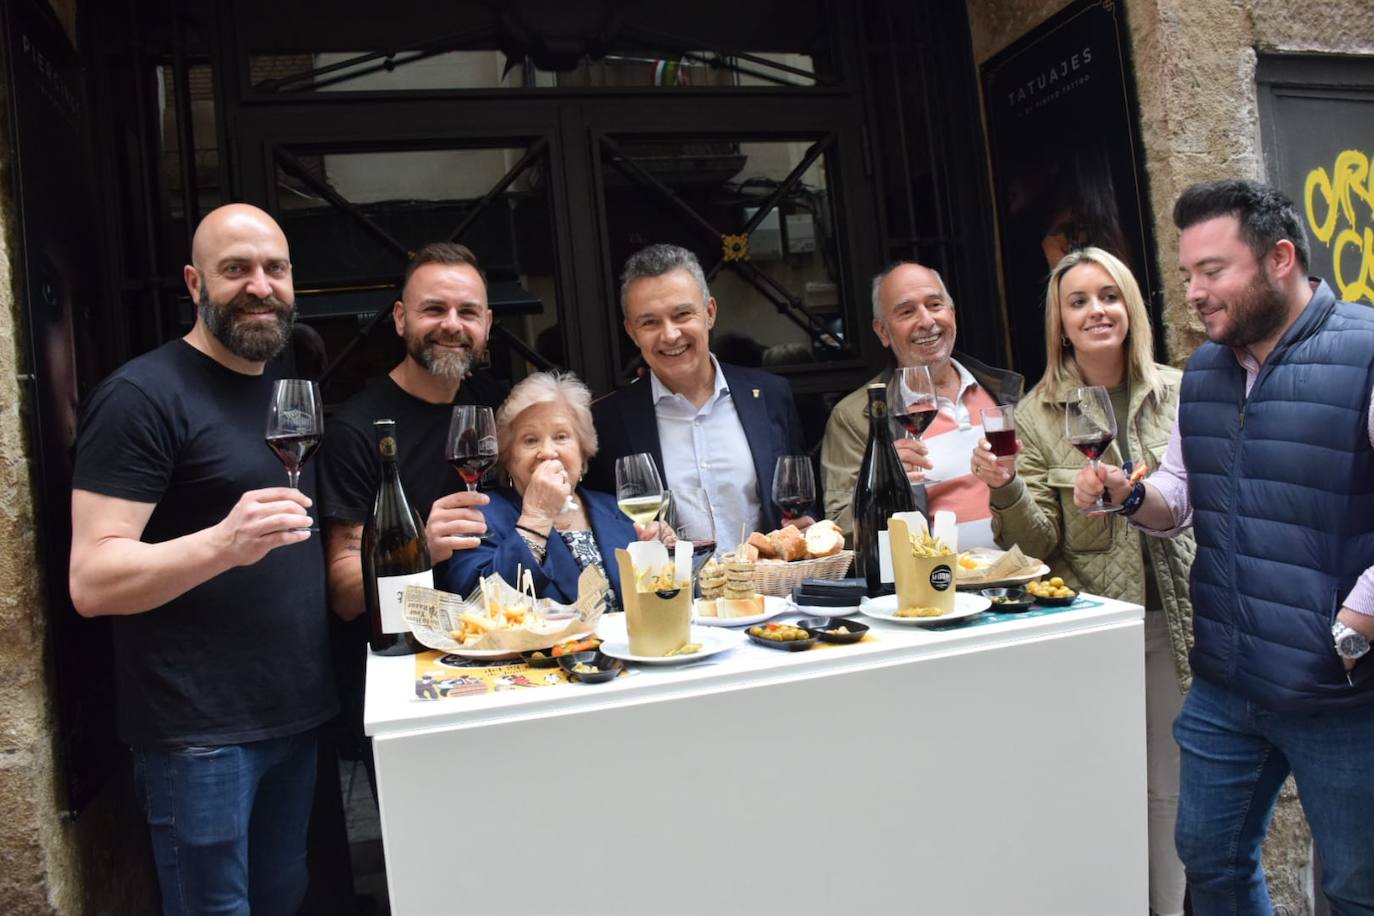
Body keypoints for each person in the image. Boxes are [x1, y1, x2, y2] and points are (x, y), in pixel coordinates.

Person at [1076, 179, 1374, 912]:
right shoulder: (1206, 370)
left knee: (1355, 887)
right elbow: (1180, 496)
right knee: (1207, 861)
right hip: (1228, 679)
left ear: (1279, 258)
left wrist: (1356, 626)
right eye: (1186, 275)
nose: (1195, 293)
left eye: (1213, 271)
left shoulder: (1365, 352)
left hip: (1340, 689)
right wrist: (1128, 495)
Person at [67, 203, 337, 916]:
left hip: (294, 712)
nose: (259, 285)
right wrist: (223, 543)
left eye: (274, 269)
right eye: (235, 269)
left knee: (285, 898)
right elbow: (92, 579)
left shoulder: (286, 390)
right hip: (199, 737)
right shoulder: (141, 397)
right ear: (194, 282)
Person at [970, 247, 1194, 916]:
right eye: (1078, 302)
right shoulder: (1038, 416)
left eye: (1109, 296)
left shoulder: (1182, 391)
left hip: (1187, 621)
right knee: (1106, 791)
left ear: (1130, 306)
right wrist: (1006, 487)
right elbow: (1036, 545)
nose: (1096, 310)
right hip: (1102, 628)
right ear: (1060, 324)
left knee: (1173, 794)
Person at [320, 241, 507, 621]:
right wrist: (420, 547)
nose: (452, 324)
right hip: (408, 656)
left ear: (486, 324)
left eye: (467, 312)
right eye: (434, 309)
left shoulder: (501, 407)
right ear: (401, 318)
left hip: (505, 641)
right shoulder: (357, 431)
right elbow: (344, 595)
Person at [587, 243, 810, 553]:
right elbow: (602, 526)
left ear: (709, 313)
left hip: (767, 597)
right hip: (670, 597)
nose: (670, 335)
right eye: (650, 322)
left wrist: (806, 528)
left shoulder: (771, 396)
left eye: (681, 314)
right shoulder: (608, 422)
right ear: (632, 332)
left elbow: (803, 503)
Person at [820, 262, 1023, 547]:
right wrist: (884, 484)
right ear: (883, 332)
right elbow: (839, 533)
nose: (926, 321)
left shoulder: (1006, 394)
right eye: (907, 312)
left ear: (952, 314)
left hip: (1021, 578)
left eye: (935, 305)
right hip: (933, 586)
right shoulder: (855, 418)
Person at [442, 371, 660, 610]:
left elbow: (662, 604)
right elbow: (480, 606)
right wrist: (537, 517)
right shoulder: (479, 518)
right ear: (508, 458)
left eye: (561, 436)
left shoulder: (621, 511)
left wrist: (665, 558)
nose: (547, 451)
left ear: (583, 451)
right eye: (530, 440)